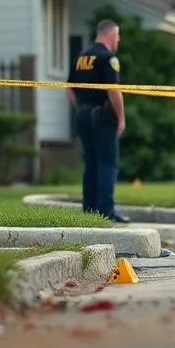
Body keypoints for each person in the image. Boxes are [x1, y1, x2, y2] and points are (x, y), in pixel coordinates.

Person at [65, 20, 130, 224]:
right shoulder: (108, 58)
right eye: (117, 35)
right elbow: (113, 90)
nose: (118, 39)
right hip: (102, 116)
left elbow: (69, 88)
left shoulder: (81, 57)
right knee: (107, 163)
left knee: (91, 163)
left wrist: (82, 107)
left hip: (83, 115)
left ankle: (90, 210)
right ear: (110, 33)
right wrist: (121, 116)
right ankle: (106, 211)